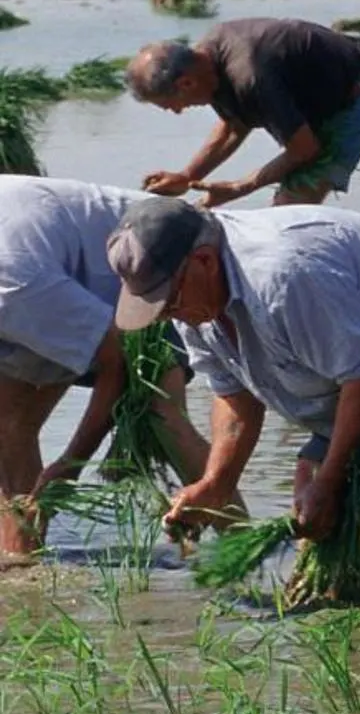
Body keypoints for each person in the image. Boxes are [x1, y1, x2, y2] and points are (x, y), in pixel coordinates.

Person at [109, 196, 360, 594]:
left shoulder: (283, 277)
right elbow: (236, 397)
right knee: (309, 477)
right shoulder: (191, 303)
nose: (169, 316)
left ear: (204, 261)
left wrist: (331, 481)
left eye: (170, 302)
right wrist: (216, 483)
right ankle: (332, 589)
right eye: (158, 308)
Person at [0, 178, 208, 555]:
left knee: (162, 418)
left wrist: (71, 465)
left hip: (160, 270)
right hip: (65, 276)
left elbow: (118, 358)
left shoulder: (14, 283)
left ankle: (249, 551)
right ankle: (22, 555)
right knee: (7, 425)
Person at [127, 19, 360, 206]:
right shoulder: (208, 62)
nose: (177, 112)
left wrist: (238, 188)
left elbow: (304, 150)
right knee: (287, 204)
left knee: (290, 205)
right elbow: (232, 125)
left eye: (171, 104)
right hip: (322, 90)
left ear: (186, 83)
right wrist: (187, 177)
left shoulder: (251, 77)